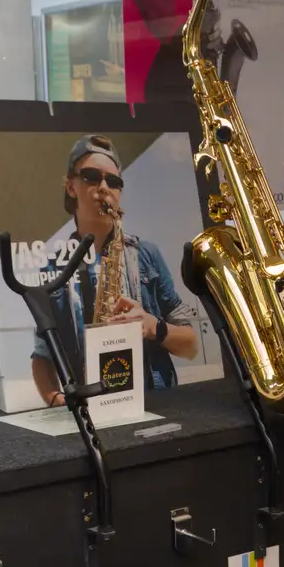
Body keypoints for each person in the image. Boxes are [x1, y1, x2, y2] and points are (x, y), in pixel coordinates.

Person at [30, 134, 199, 406]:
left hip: (154, 404)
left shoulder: (147, 256)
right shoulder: (54, 267)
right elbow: (42, 354)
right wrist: (55, 401)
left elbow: (191, 345)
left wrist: (153, 327)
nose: (104, 187)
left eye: (114, 181)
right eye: (91, 176)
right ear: (70, 186)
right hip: (92, 408)